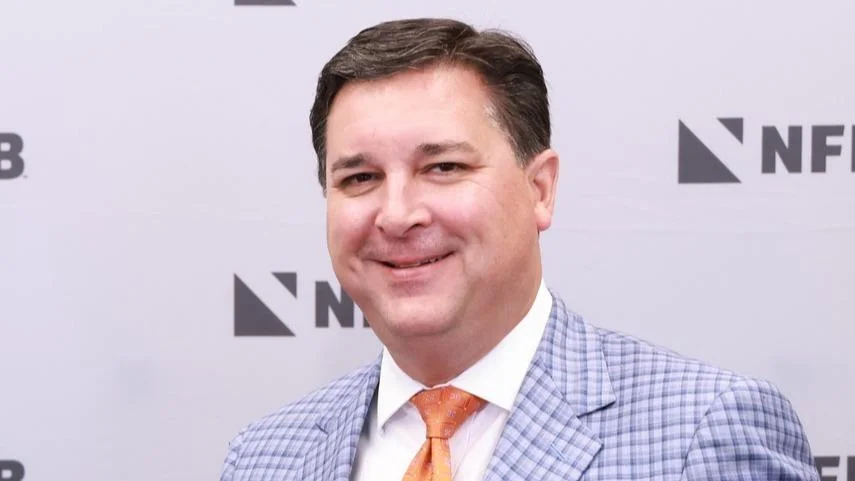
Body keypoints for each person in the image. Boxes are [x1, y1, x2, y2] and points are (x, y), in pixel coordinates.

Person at [220, 17, 819, 481]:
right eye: (359, 178)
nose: (397, 214)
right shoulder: (266, 456)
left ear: (540, 190)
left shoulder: (704, 429)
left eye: (444, 167)